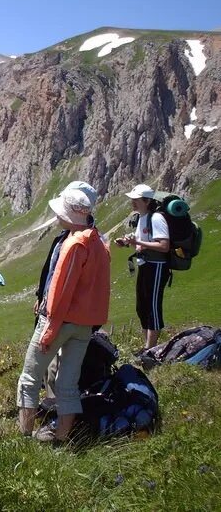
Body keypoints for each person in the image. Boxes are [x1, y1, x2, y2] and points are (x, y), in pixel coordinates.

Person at [17, 189, 110, 443]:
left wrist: (49, 329)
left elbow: (59, 293)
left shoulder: (73, 244)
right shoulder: (99, 242)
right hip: (84, 325)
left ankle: (24, 435)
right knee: (68, 383)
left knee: (29, 377)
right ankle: (61, 438)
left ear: (70, 213)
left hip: (59, 322)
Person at [33, 181, 99, 400]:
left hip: (63, 316)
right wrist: (40, 295)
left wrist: (52, 322)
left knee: (51, 367)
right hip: (65, 314)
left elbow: (66, 284)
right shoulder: (76, 237)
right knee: (57, 367)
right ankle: (58, 408)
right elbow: (50, 272)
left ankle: (53, 408)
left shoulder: (78, 241)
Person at [115, 184, 171, 351]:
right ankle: (146, 346)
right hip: (145, 265)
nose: (133, 202)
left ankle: (150, 349)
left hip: (157, 266)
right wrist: (127, 243)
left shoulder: (156, 218)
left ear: (146, 201)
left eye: (136, 199)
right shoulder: (141, 217)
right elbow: (143, 245)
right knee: (142, 306)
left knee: (152, 305)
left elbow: (164, 246)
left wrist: (137, 242)